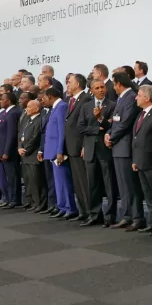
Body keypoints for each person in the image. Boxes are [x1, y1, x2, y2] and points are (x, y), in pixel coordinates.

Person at [107, 71, 143, 229]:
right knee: (123, 186)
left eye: (114, 84)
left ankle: (137, 217)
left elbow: (125, 122)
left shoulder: (130, 98)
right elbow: (115, 120)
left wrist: (112, 137)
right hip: (118, 146)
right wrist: (108, 134)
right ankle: (127, 215)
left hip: (125, 147)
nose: (113, 88)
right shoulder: (122, 99)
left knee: (130, 185)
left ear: (119, 84)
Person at [130, 85, 152, 234]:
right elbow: (137, 138)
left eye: (138, 95)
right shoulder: (141, 114)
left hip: (151, 161)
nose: (136, 97)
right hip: (140, 160)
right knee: (148, 195)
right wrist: (134, 160)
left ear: (147, 97)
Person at [81, 80, 117, 226]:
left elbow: (111, 125)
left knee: (109, 184)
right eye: (97, 88)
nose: (101, 90)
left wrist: (101, 120)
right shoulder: (86, 106)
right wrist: (97, 129)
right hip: (90, 150)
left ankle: (110, 216)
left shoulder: (113, 105)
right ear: (92, 90)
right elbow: (80, 127)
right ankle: (95, 215)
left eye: (103, 87)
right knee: (92, 185)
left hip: (105, 150)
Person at [40, 88, 77, 218]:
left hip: (58, 152)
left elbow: (62, 131)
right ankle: (62, 206)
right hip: (52, 150)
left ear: (50, 96)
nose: (42, 100)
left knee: (64, 182)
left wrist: (60, 151)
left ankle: (70, 208)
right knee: (58, 182)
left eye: (44, 97)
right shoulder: (55, 108)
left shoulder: (61, 107)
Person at [65, 74, 91, 221]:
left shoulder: (86, 98)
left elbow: (85, 124)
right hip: (71, 146)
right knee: (77, 181)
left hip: (80, 146)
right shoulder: (71, 100)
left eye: (70, 82)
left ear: (78, 84)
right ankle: (83, 211)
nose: (67, 85)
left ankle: (90, 211)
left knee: (84, 181)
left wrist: (83, 146)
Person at [19, 99, 48, 212]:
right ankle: (32, 201)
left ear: (36, 109)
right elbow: (22, 135)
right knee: (28, 181)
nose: (27, 109)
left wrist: (26, 149)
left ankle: (40, 203)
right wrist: (20, 147)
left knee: (37, 182)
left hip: (33, 155)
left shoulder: (39, 120)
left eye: (29, 107)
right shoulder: (28, 120)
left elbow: (35, 138)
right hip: (25, 155)